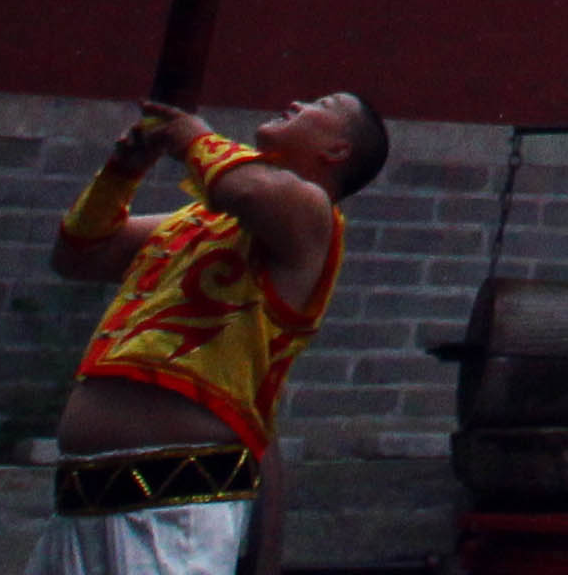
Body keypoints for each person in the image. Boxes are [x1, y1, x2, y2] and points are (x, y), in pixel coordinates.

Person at [32, 89, 387, 573]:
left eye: (321, 106)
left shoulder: (312, 212)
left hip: (175, 512)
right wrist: (122, 172)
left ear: (338, 150)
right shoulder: (194, 222)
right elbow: (77, 255)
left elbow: (246, 191)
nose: (297, 104)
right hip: (79, 507)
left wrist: (191, 135)